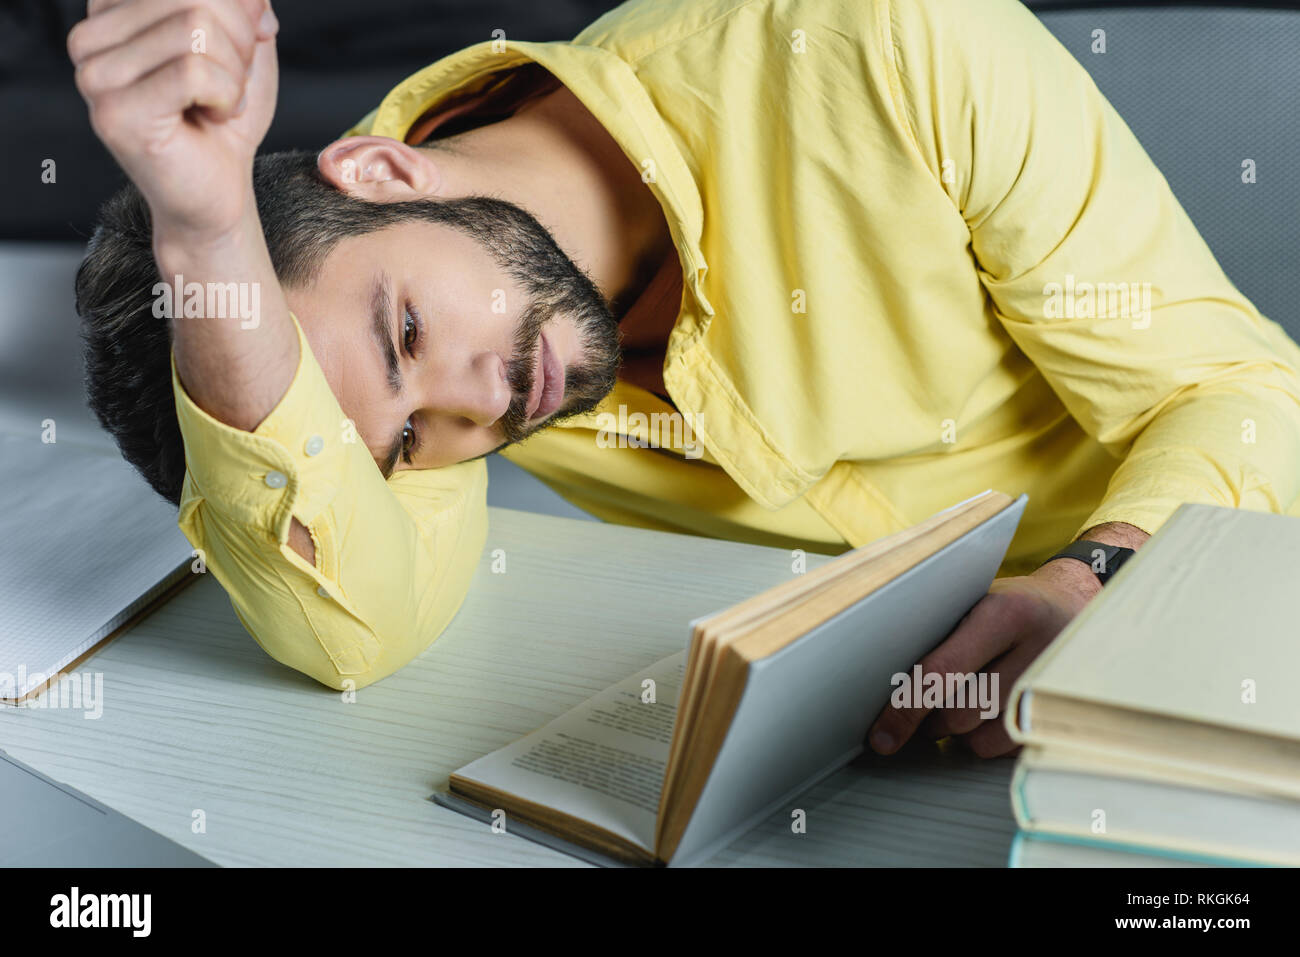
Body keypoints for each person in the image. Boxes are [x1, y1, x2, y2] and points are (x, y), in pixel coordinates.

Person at [69, 0, 1300, 757]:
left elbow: (1243, 388)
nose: (480, 404)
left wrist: (1098, 576)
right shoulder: (469, 361)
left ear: (386, 173)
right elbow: (356, 632)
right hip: (961, 751)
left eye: (404, 337)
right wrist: (202, 242)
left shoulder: (884, 42)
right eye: (405, 444)